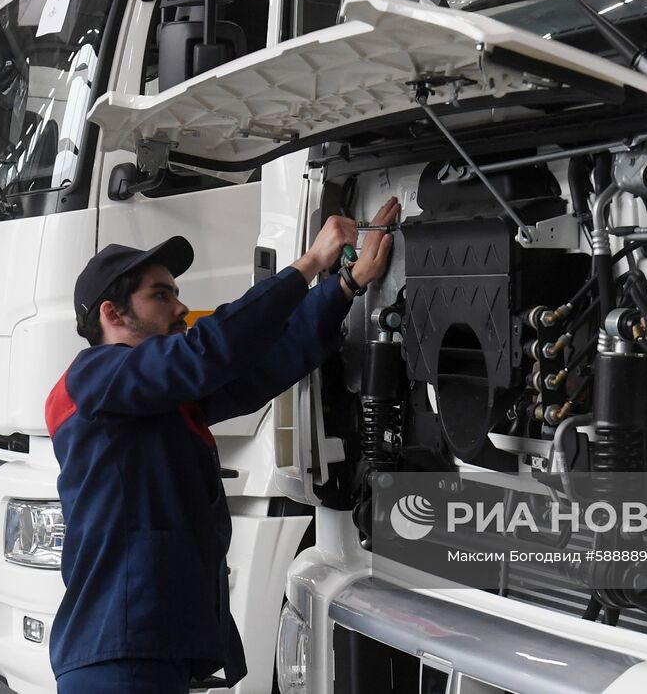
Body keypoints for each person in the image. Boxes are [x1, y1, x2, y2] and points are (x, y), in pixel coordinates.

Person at [45, 197, 401, 693]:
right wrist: (310, 264)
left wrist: (346, 285)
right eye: (161, 295)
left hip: (146, 651)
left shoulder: (151, 397)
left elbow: (260, 368)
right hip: (119, 656)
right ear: (113, 313)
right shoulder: (93, 380)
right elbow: (209, 350)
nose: (181, 307)